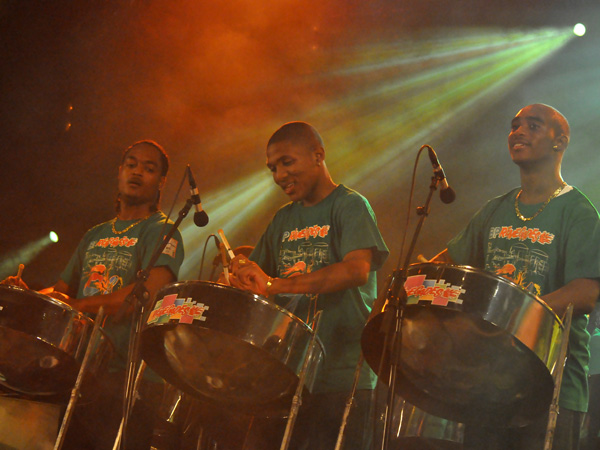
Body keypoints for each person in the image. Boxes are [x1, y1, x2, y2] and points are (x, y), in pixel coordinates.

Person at [433, 104, 600, 450]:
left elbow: (585, 292)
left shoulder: (579, 212)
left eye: (533, 126)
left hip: (551, 387)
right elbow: (446, 264)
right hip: (487, 383)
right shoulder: (495, 208)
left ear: (560, 142)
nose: (518, 132)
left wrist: (507, 316)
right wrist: (423, 278)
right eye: (514, 126)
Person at [4, 140, 185, 449]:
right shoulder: (95, 234)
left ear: (162, 182)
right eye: (131, 164)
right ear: (120, 172)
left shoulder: (162, 230)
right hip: (83, 368)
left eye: (149, 168)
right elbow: (62, 292)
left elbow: (146, 294)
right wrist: (30, 298)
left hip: (127, 376)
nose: (138, 172)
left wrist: (77, 305)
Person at [228, 121, 389, 450]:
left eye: (287, 162)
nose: (279, 176)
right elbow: (259, 279)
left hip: (342, 376)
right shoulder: (282, 219)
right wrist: (241, 273)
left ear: (318, 155)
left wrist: (274, 284)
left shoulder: (350, 205)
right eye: (273, 168)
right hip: (285, 372)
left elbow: (356, 270)